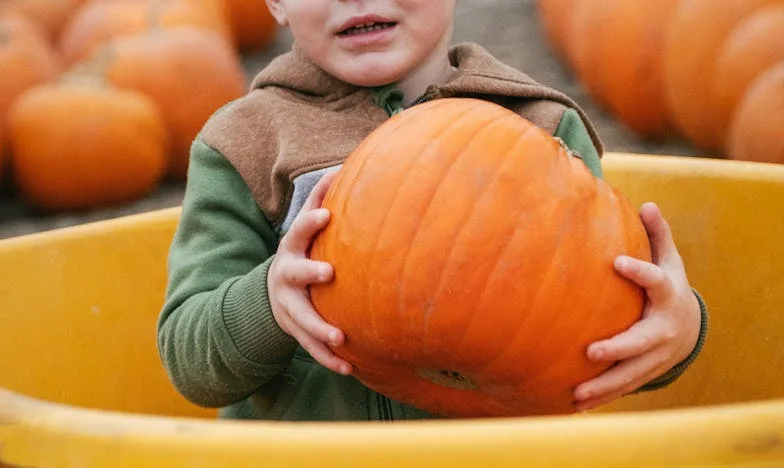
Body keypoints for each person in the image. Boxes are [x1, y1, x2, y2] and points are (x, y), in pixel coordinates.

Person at [157, 0, 708, 421]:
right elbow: (191, 359)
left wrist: (678, 333)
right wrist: (270, 300)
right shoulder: (245, 144)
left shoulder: (540, 126)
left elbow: (592, 321)